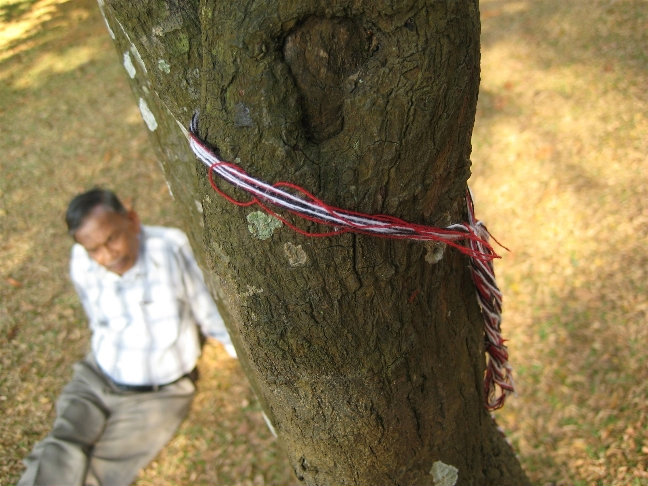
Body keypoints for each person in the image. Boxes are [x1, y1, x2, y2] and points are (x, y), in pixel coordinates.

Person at [18, 188, 236, 486]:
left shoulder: (171, 248)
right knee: (60, 445)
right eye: (94, 249)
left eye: (112, 239)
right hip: (96, 376)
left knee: (100, 474)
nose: (107, 255)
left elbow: (210, 313)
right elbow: (94, 314)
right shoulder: (80, 260)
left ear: (132, 220)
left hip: (157, 394)